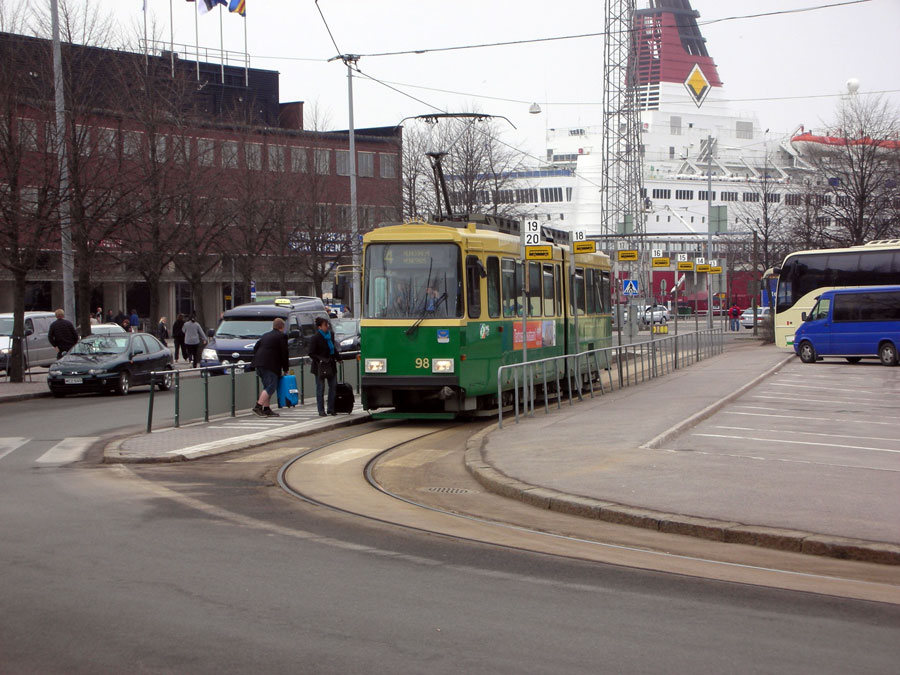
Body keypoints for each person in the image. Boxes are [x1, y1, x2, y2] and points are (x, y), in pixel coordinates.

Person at [250, 317, 290, 418]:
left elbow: (256, 347)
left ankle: (266, 409)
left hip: (259, 363)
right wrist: (286, 368)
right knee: (271, 386)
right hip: (270, 365)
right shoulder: (282, 336)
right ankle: (258, 407)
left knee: (267, 386)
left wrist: (259, 358)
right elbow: (284, 353)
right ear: (282, 327)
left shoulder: (265, 335)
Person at [309, 316, 339, 417]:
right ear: (319, 327)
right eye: (325, 325)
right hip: (320, 366)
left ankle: (331, 408)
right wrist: (320, 360)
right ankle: (321, 410)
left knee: (333, 387)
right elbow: (311, 353)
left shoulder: (331, 335)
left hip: (331, 364)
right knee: (320, 388)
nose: (327, 327)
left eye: (328, 325)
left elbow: (333, 348)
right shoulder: (315, 338)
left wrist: (338, 358)